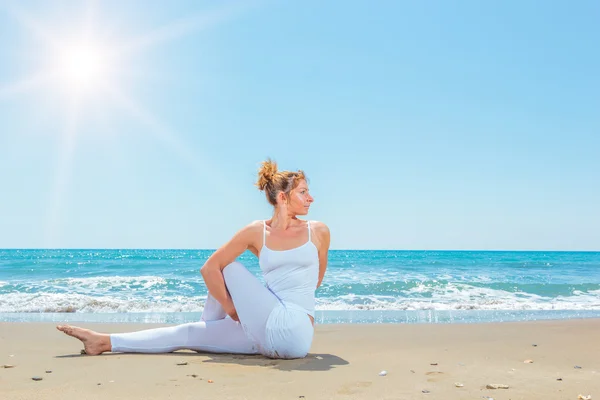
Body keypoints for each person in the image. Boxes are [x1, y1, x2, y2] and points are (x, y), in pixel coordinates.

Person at [56, 159, 331, 359]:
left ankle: (213, 324)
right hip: (267, 332)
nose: (311, 198)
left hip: (294, 330)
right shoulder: (256, 232)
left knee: (229, 268)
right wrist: (236, 311)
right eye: (303, 192)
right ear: (282, 198)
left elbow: (314, 282)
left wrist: (236, 311)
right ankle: (103, 342)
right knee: (188, 333)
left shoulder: (317, 231)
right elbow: (207, 269)